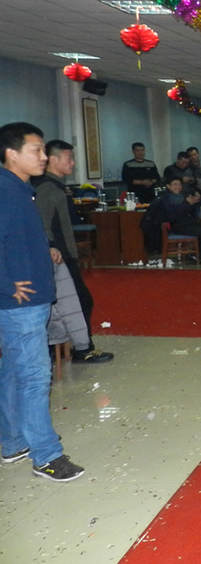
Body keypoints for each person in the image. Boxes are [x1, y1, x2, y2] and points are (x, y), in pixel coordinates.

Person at [0, 122, 84, 482]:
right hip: (20, 303)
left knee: (13, 371)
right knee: (35, 377)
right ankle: (46, 456)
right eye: (36, 150)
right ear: (11, 154)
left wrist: (44, 248)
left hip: (29, 297)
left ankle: (13, 442)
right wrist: (7, 285)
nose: (44, 156)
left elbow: (14, 237)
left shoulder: (21, 188)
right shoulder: (5, 190)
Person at [32, 139, 113, 363]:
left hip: (64, 253)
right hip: (59, 257)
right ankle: (82, 349)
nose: (73, 163)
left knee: (70, 303)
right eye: (69, 158)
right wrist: (52, 248)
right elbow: (43, 224)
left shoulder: (57, 186)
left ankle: (68, 347)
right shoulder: (47, 188)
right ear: (53, 159)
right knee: (79, 301)